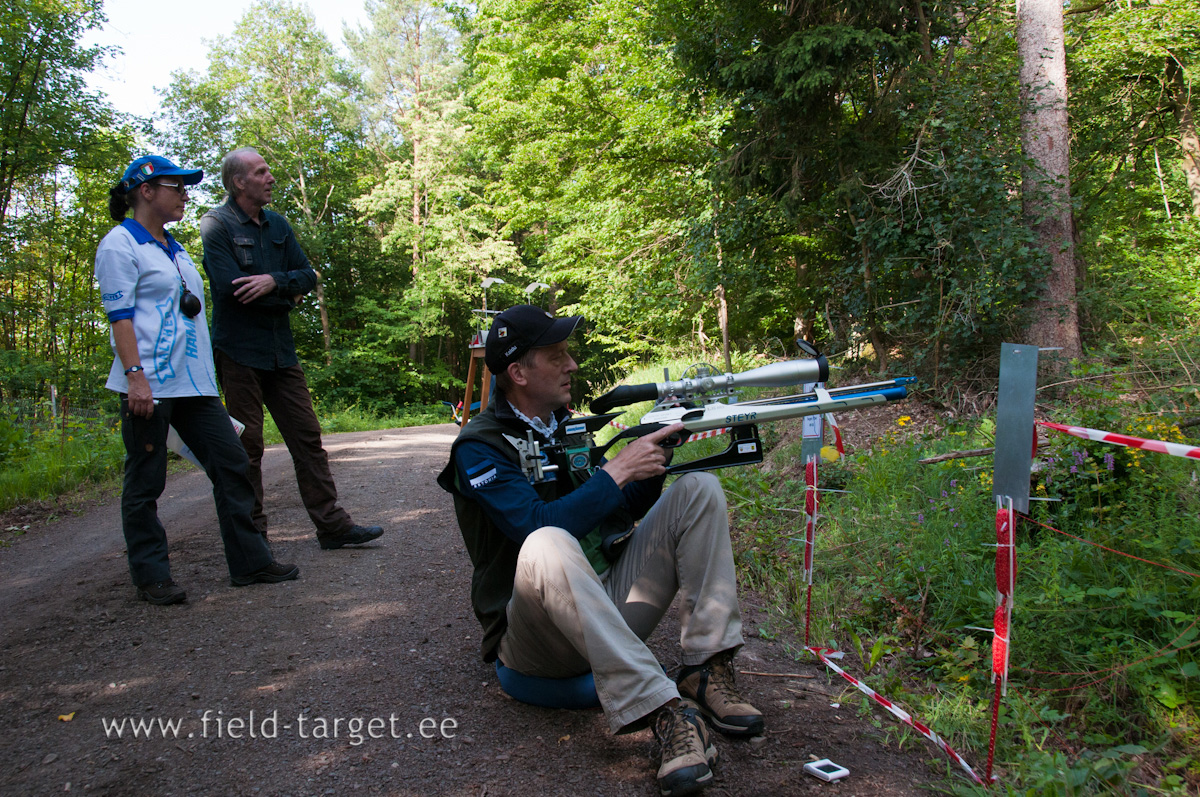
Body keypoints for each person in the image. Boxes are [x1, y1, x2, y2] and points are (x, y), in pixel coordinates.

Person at [437, 305, 764, 797]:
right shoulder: (478, 448)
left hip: (603, 605)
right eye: (557, 356)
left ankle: (706, 667)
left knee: (698, 488)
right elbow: (536, 525)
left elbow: (615, 509)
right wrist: (618, 470)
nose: (571, 365)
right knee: (547, 541)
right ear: (519, 373)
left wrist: (654, 460)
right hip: (535, 639)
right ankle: (664, 713)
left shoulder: (564, 426)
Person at [96, 155, 300, 604]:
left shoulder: (175, 247)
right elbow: (121, 319)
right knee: (146, 478)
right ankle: (151, 575)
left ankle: (250, 561)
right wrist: (135, 379)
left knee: (232, 464)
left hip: (195, 385)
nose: (185, 194)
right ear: (146, 190)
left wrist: (209, 378)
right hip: (150, 384)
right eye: (177, 186)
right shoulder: (119, 245)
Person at [198, 147, 384, 551]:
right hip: (238, 353)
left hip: (281, 352)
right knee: (246, 449)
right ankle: (254, 541)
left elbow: (307, 275)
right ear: (238, 182)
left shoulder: (278, 225)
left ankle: (332, 527)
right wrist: (286, 293)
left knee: (308, 438)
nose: (271, 178)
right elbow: (230, 291)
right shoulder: (216, 225)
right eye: (261, 172)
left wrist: (271, 282)